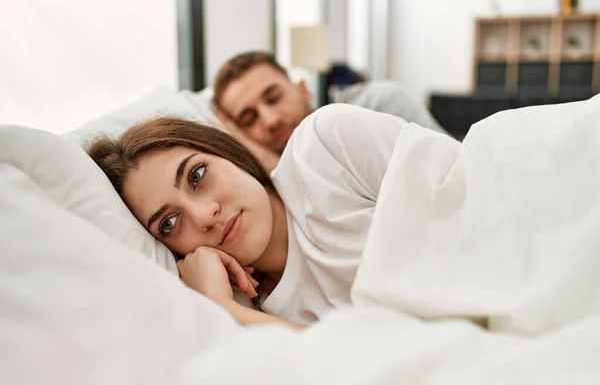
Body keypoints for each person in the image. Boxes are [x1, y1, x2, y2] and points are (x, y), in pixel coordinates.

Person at [87, 103, 405, 330]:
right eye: (168, 224)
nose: (204, 215)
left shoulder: (327, 148)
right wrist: (223, 307)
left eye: (197, 175)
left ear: (226, 152)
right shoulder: (244, 317)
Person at [212, 51, 449, 172]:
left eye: (274, 98)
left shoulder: (380, 104)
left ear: (303, 89)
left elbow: (453, 173)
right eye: (248, 119)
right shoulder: (264, 178)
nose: (270, 120)